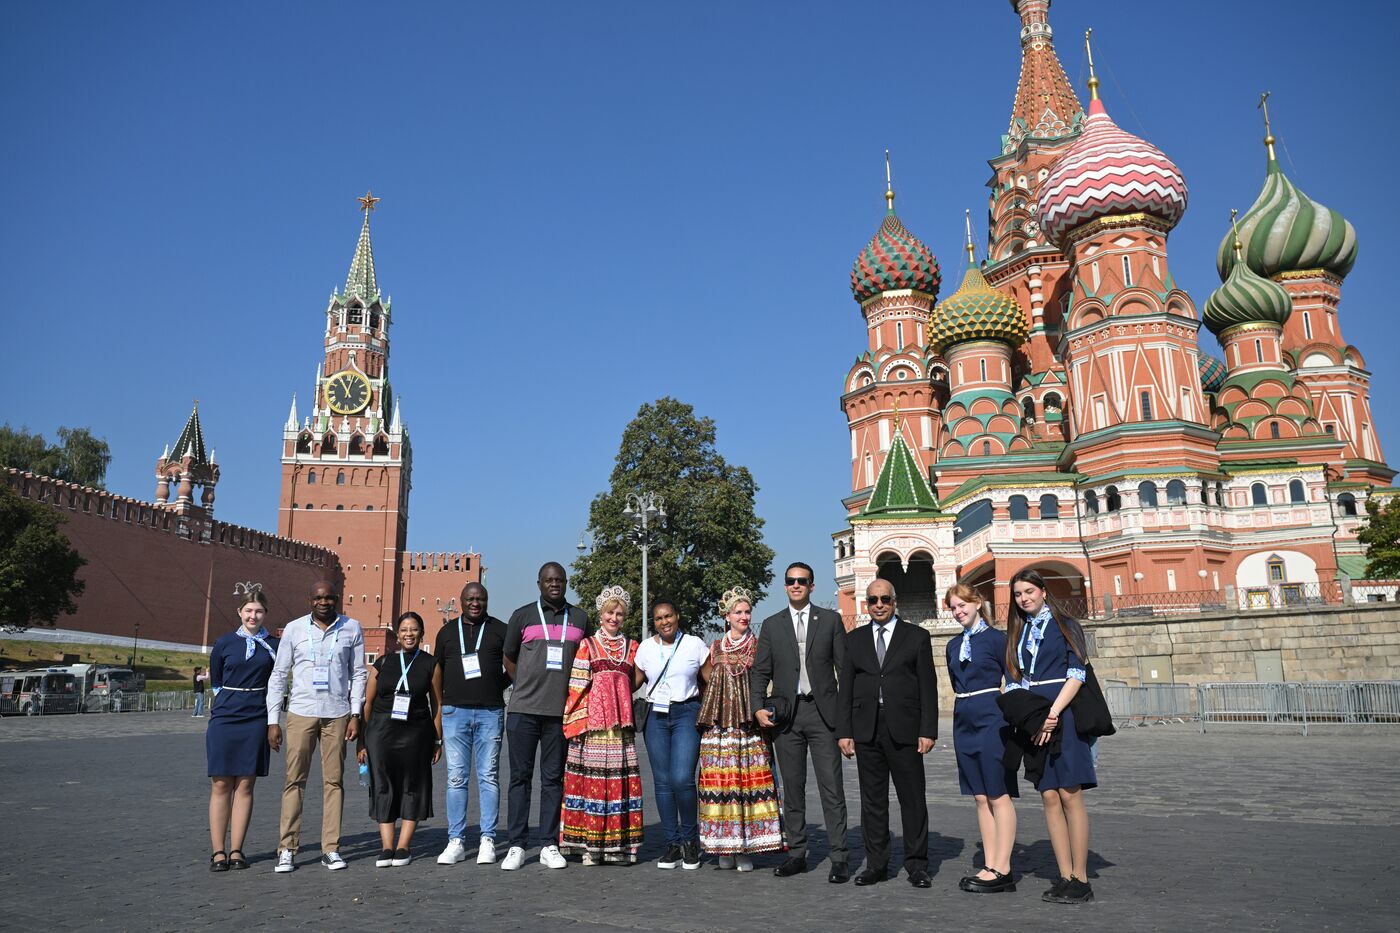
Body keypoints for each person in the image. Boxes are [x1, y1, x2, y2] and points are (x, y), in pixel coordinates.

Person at [751, 561, 850, 883]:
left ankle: (839, 857)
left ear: (812, 586)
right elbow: (760, 671)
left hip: (823, 715)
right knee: (792, 789)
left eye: (802, 581)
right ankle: (797, 853)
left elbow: (844, 672)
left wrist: (845, 720)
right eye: (791, 581)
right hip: (787, 717)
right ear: (785, 586)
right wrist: (756, 707)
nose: (796, 585)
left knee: (831, 788)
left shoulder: (831, 621)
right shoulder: (772, 624)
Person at [836, 578, 938, 888]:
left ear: (895, 602)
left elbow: (928, 687)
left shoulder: (916, 637)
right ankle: (877, 864)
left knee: (912, 799)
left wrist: (928, 730)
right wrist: (844, 731)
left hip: (905, 729)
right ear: (866, 604)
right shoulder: (854, 640)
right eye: (873, 600)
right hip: (867, 730)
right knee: (873, 802)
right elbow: (846, 690)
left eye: (885, 599)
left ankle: (917, 865)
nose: (879, 604)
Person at [1003, 568, 1097, 904]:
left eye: (1029, 591)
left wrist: (1053, 714)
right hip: (1034, 720)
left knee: (1071, 794)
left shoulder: (1067, 625)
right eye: (1018, 594)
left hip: (1064, 715)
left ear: (1043, 591)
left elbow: (1077, 673)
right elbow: (1013, 682)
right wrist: (1033, 720)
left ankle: (1081, 878)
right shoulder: (1016, 634)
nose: (1024, 598)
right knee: (1049, 796)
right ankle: (1064, 874)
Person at [266, 580, 368, 873]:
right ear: (309, 599)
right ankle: (287, 847)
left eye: (329, 598)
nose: (324, 602)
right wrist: (273, 720)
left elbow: (358, 674)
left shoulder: (352, 628)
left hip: (336, 714)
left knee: (334, 782)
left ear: (337, 599)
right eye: (318, 598)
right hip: (301, 712)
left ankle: (331, 848)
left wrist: (355, 714)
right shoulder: (294, 629)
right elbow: (279, 675)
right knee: (294, 780)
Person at [501, 562, 588, 870]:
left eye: (560, 580)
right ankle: (516, 844)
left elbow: (587, 661)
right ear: (539, 583)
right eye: (549, 580)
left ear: (565, 583)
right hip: (523, 710)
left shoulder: (579, 618)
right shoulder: (522, 616)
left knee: (553, 780)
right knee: (519, 779)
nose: (555, 584)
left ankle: (549, 843)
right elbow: (509, 658)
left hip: (560, 714)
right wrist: (524, 684)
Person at [696, 586, 783, 871]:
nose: (744, 616)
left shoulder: (758, 646)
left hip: (748, 727)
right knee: (721, 784)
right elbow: (707, 676)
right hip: (720, 728)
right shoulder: (717, 647)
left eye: (747, 612)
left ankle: (746, 847)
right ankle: (724, 846)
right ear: (727, 616)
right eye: (738, 612)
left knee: (748, 783)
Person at [559, 585, 644, 864]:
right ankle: (589, 846)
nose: (614, 618)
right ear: (601, 613)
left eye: (619, 613)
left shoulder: (633, 647)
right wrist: (575, 722)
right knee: (593, 784)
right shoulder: (588, 645)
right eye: (610, 612)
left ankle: (618, 846)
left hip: (620, 729)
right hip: (593, 729)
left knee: (618, 785)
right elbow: (577, 686)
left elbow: (636, 681)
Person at [944, 582, 1018, 894]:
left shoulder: (997, 639)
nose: (959, 611)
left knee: (997, 792)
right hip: (963, 716)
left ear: (977, 603)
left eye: (963, 605)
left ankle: (1003, 867)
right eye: (953, 607)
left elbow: (1014, 679)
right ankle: (989, 863)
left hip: (991, 715)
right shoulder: (951, 645)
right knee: (979, 795)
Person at [357, 612, 443, 867]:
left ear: (422, 633)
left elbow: (437, 704)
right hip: (381, 733)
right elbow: (368, 704)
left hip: (416, 733)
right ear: (397, 633)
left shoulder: (431, 664)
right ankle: (386, 846)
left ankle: (403, 846)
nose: (409, 634)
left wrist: (438, 740)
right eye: (404, 629)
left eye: (414, 629)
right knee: (383, 784)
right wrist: (363, 740)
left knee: (412, 785)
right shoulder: (382, 663)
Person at [433, 581, 510, 866]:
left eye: (480, 599)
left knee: (489, 775)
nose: (475, 603)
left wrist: (496, 685)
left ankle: (488, 839)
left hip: (490, 711)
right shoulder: (447, 632)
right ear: (461, 601)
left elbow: (511, 666)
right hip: (456, 713)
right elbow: (437, 669)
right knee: (456, 777)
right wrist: (443, 703)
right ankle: (456, 840)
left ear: (486, 601)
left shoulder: (500, 629)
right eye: (470, 599)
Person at [206, 584, 279, 872]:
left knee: (246, 784)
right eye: (248, 610)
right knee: (221, 782)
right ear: (239, 612)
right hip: (225, 717)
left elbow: (278, 681)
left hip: (256, 717)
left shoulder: (274, 645)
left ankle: (237, 849)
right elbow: (216, 680)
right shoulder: (224, 643)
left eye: (258, 611)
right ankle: (218, 851)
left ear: (265, 614)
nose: (253, 616)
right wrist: (228, 701)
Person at [634, 599, 710, 870]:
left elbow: (711, 680)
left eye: (668, 616)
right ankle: (672, 844)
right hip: (655, 716)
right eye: (658, 618)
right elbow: (632, 681)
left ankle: (691, 841)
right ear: (653, 622)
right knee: (663, 781)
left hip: (686, 713)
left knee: (682, 778)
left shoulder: (694, 644)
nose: (664, 622)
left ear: (677, 616)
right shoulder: (645, 648)